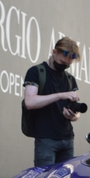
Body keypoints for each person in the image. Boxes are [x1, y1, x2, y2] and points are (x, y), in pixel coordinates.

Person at [23, 37, 81, 167]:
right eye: (61, 62)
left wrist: (74, 116)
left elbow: (77, 111)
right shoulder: (36, 72)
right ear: (54, 52)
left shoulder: (70, 79)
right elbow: (30, 101)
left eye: (68, 65)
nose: (64, 66)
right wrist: (60, 95)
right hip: (46, 139)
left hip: (67, 139)